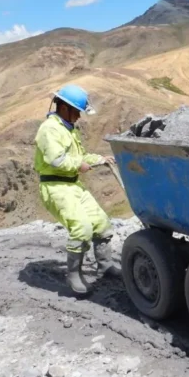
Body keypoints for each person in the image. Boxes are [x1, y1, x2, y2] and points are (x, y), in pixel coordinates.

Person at [33, 84, 118, 295]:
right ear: (64, 108)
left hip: (72, 185)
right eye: (77, 112)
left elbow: (79, 156)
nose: (79, 117)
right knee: (82, 228)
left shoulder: (67, 129)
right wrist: (78, 165)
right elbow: (56, 159)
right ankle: (73, 275)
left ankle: (105, 265)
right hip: (56, 186)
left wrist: (100, 159)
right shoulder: (49, 129)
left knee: (101, 223)